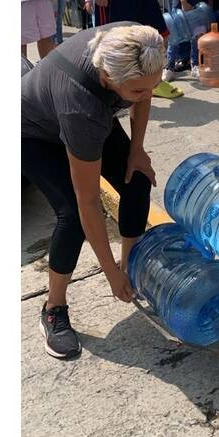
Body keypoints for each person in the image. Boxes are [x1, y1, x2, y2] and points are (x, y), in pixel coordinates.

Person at [21, 23, 162, 359]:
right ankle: (53, 308)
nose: (147, 94)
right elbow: (88, 202)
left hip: (82, 107)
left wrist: (137, 150)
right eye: (138, 91)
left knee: (137, 178)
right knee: (71, 214)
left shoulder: (134, 43)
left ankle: (133, 264)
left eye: (151, 86)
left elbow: (145, 92)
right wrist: (109, 273)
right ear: (107, 78)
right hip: (33, 131)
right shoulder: (82, 107)